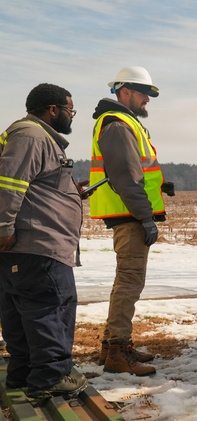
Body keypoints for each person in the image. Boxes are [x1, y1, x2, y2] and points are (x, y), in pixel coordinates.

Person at [0, 83, 88, 397]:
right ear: (53, 110)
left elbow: (31, 185)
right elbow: (9, 184)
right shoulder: (32, 136)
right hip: (39, 246)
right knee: (50, 308)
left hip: (27, 249)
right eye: (70, 110)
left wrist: (69, 193)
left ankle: (22, 374)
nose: (71, 116)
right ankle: (50, 379)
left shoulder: (28, 136)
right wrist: (3, 228)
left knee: (21, 311)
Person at [90, 66, 169, 376]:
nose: (147, 100)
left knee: (125, 281)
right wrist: (145, 217)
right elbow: (126, 177)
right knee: (130, 282)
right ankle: (118, 353)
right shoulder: (119, 124)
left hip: (128, 213)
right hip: (130, 217)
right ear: (125, 92)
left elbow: (136, 173)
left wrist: (161, 187)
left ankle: (112, 346)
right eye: (144, 94)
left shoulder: (122, 123)